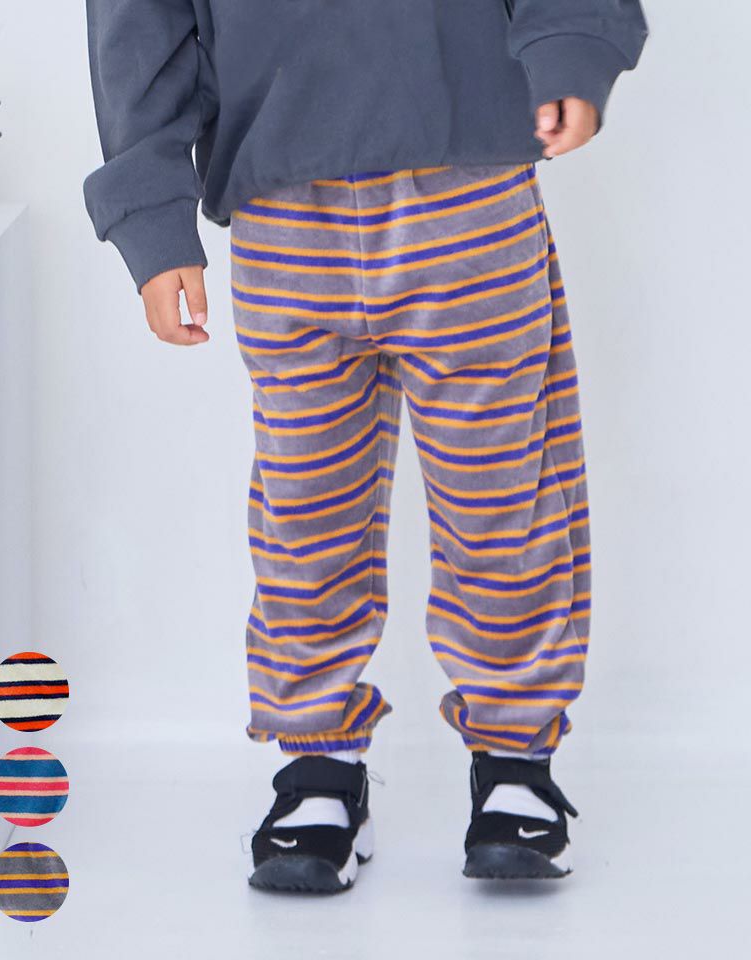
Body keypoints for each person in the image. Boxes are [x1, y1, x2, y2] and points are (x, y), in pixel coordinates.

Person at [84, 0, 647, 889]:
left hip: (467, 185)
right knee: (305, 508)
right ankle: (318, 762)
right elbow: (138, 20)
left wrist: (573, 44)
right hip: (281, 200)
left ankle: (515, 760)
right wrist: (150, 216)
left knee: (501, 496)